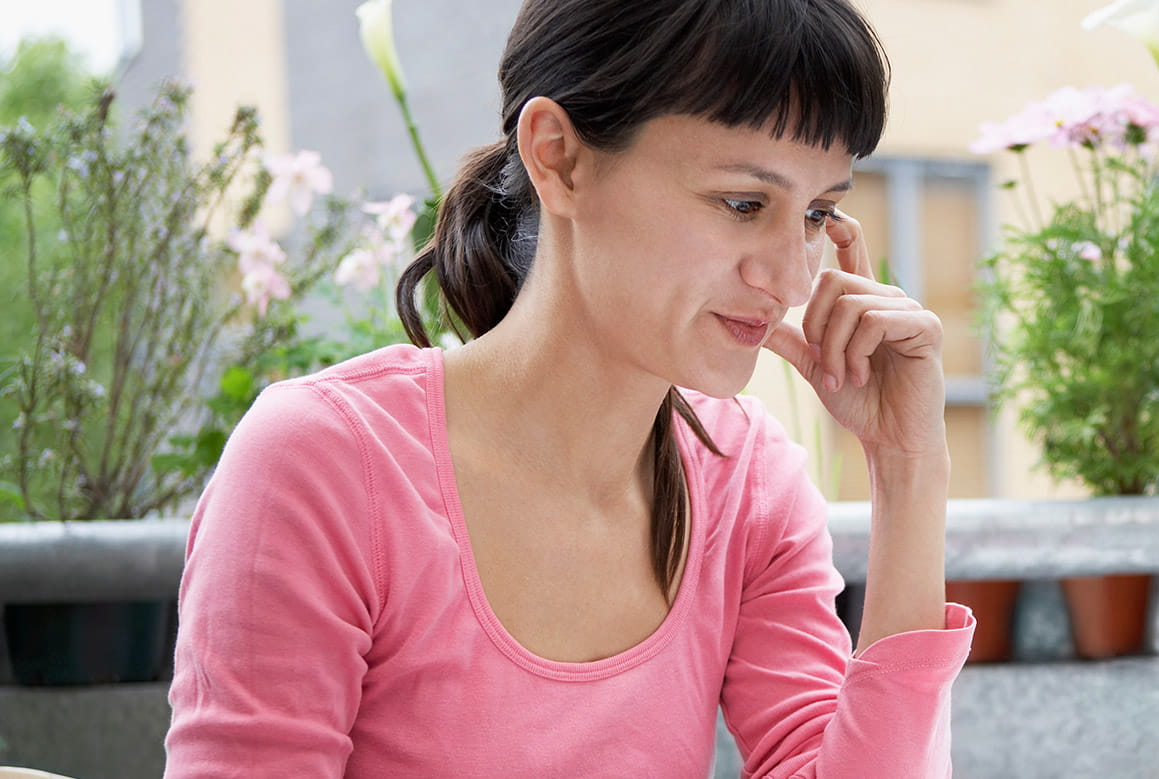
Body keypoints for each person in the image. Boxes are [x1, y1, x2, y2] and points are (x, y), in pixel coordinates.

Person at [162, 0, 974, 775]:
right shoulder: (325, 466)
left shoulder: (747, 484)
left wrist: (908, 470)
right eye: (741, 202)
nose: (792, 280)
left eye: (815, 215)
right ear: (558, 157)